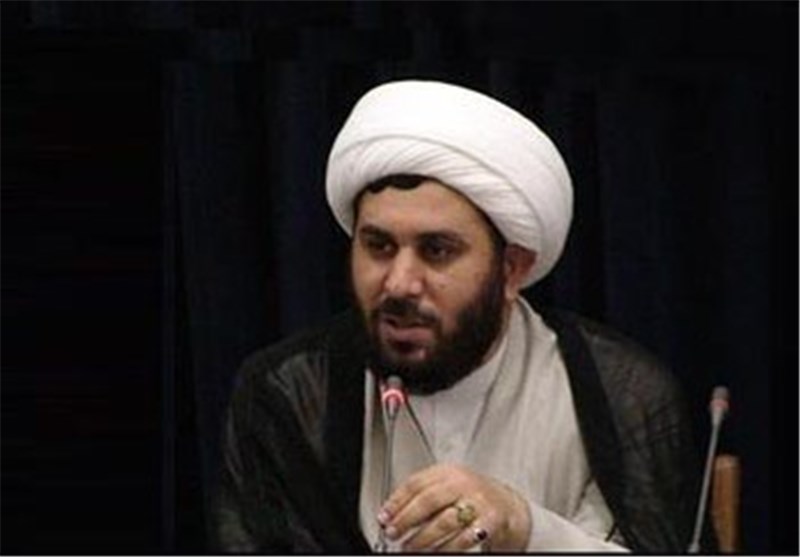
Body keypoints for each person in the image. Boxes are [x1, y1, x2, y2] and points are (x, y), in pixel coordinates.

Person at [214, 80, 702, 553]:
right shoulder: (288, 393)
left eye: (437, 250)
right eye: (379, 246)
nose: (400, 283)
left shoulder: (617, 393)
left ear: (511, 269)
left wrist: (523, 527)